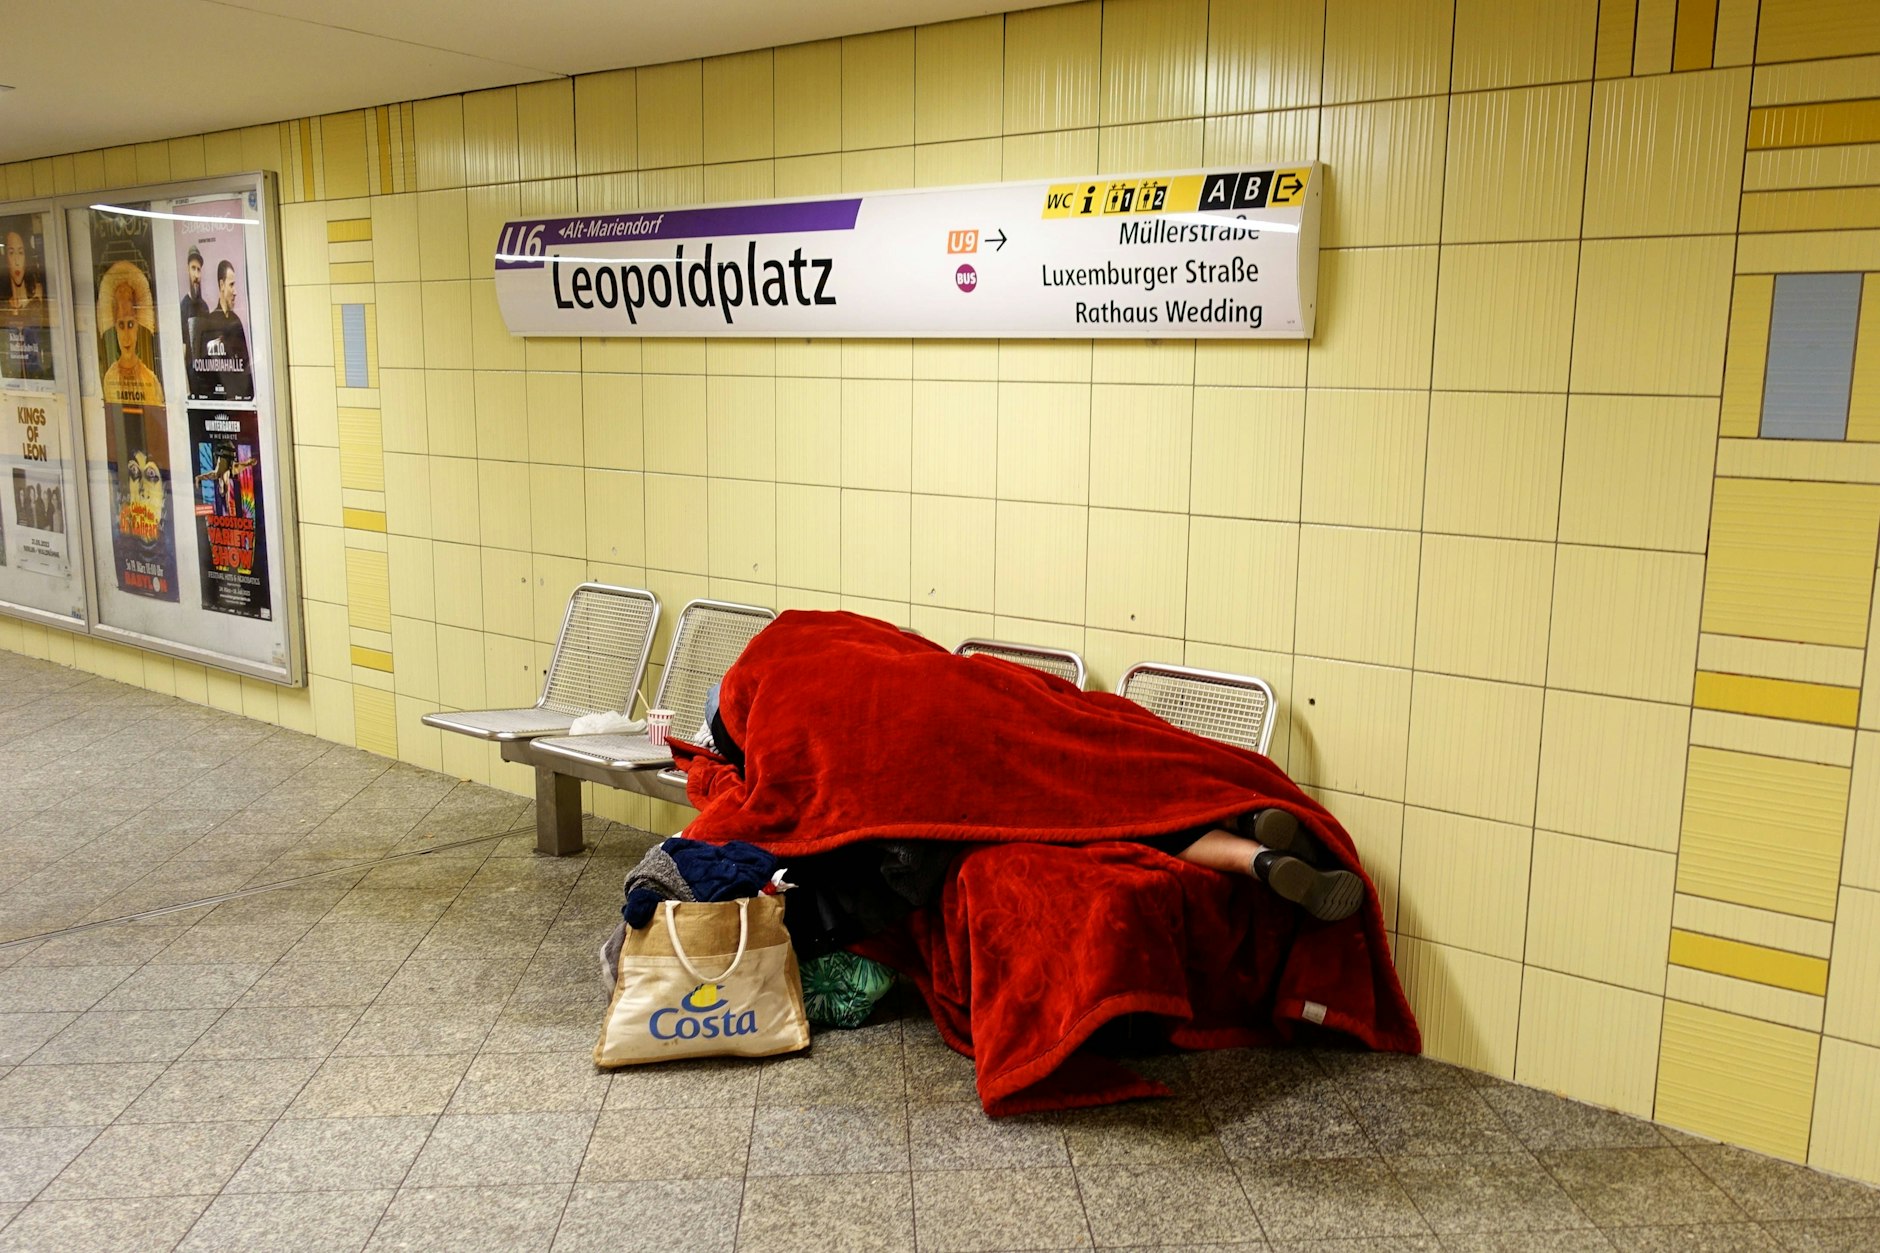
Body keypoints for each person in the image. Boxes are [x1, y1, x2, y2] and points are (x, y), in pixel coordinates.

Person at [191, 260, 252, 399]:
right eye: (231, 285)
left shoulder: (236, 322)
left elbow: (244, 365)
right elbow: (200, 369)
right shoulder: (207, 323)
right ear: (221, 285)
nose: (235, 292)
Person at [179, 245, 209, 339]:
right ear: (187, 270)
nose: (196, 275)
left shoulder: (205, 307)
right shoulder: (183, 307)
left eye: (198, 270)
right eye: (193, 268)